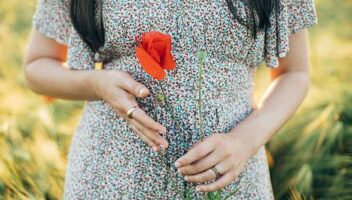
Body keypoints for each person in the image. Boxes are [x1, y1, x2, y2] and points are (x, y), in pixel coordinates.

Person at [23, 0, 318, 199]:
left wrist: (244, 141)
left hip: (231, 180)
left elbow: (294, 73)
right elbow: (37, 66)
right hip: (111, 179)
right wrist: (97, 84)